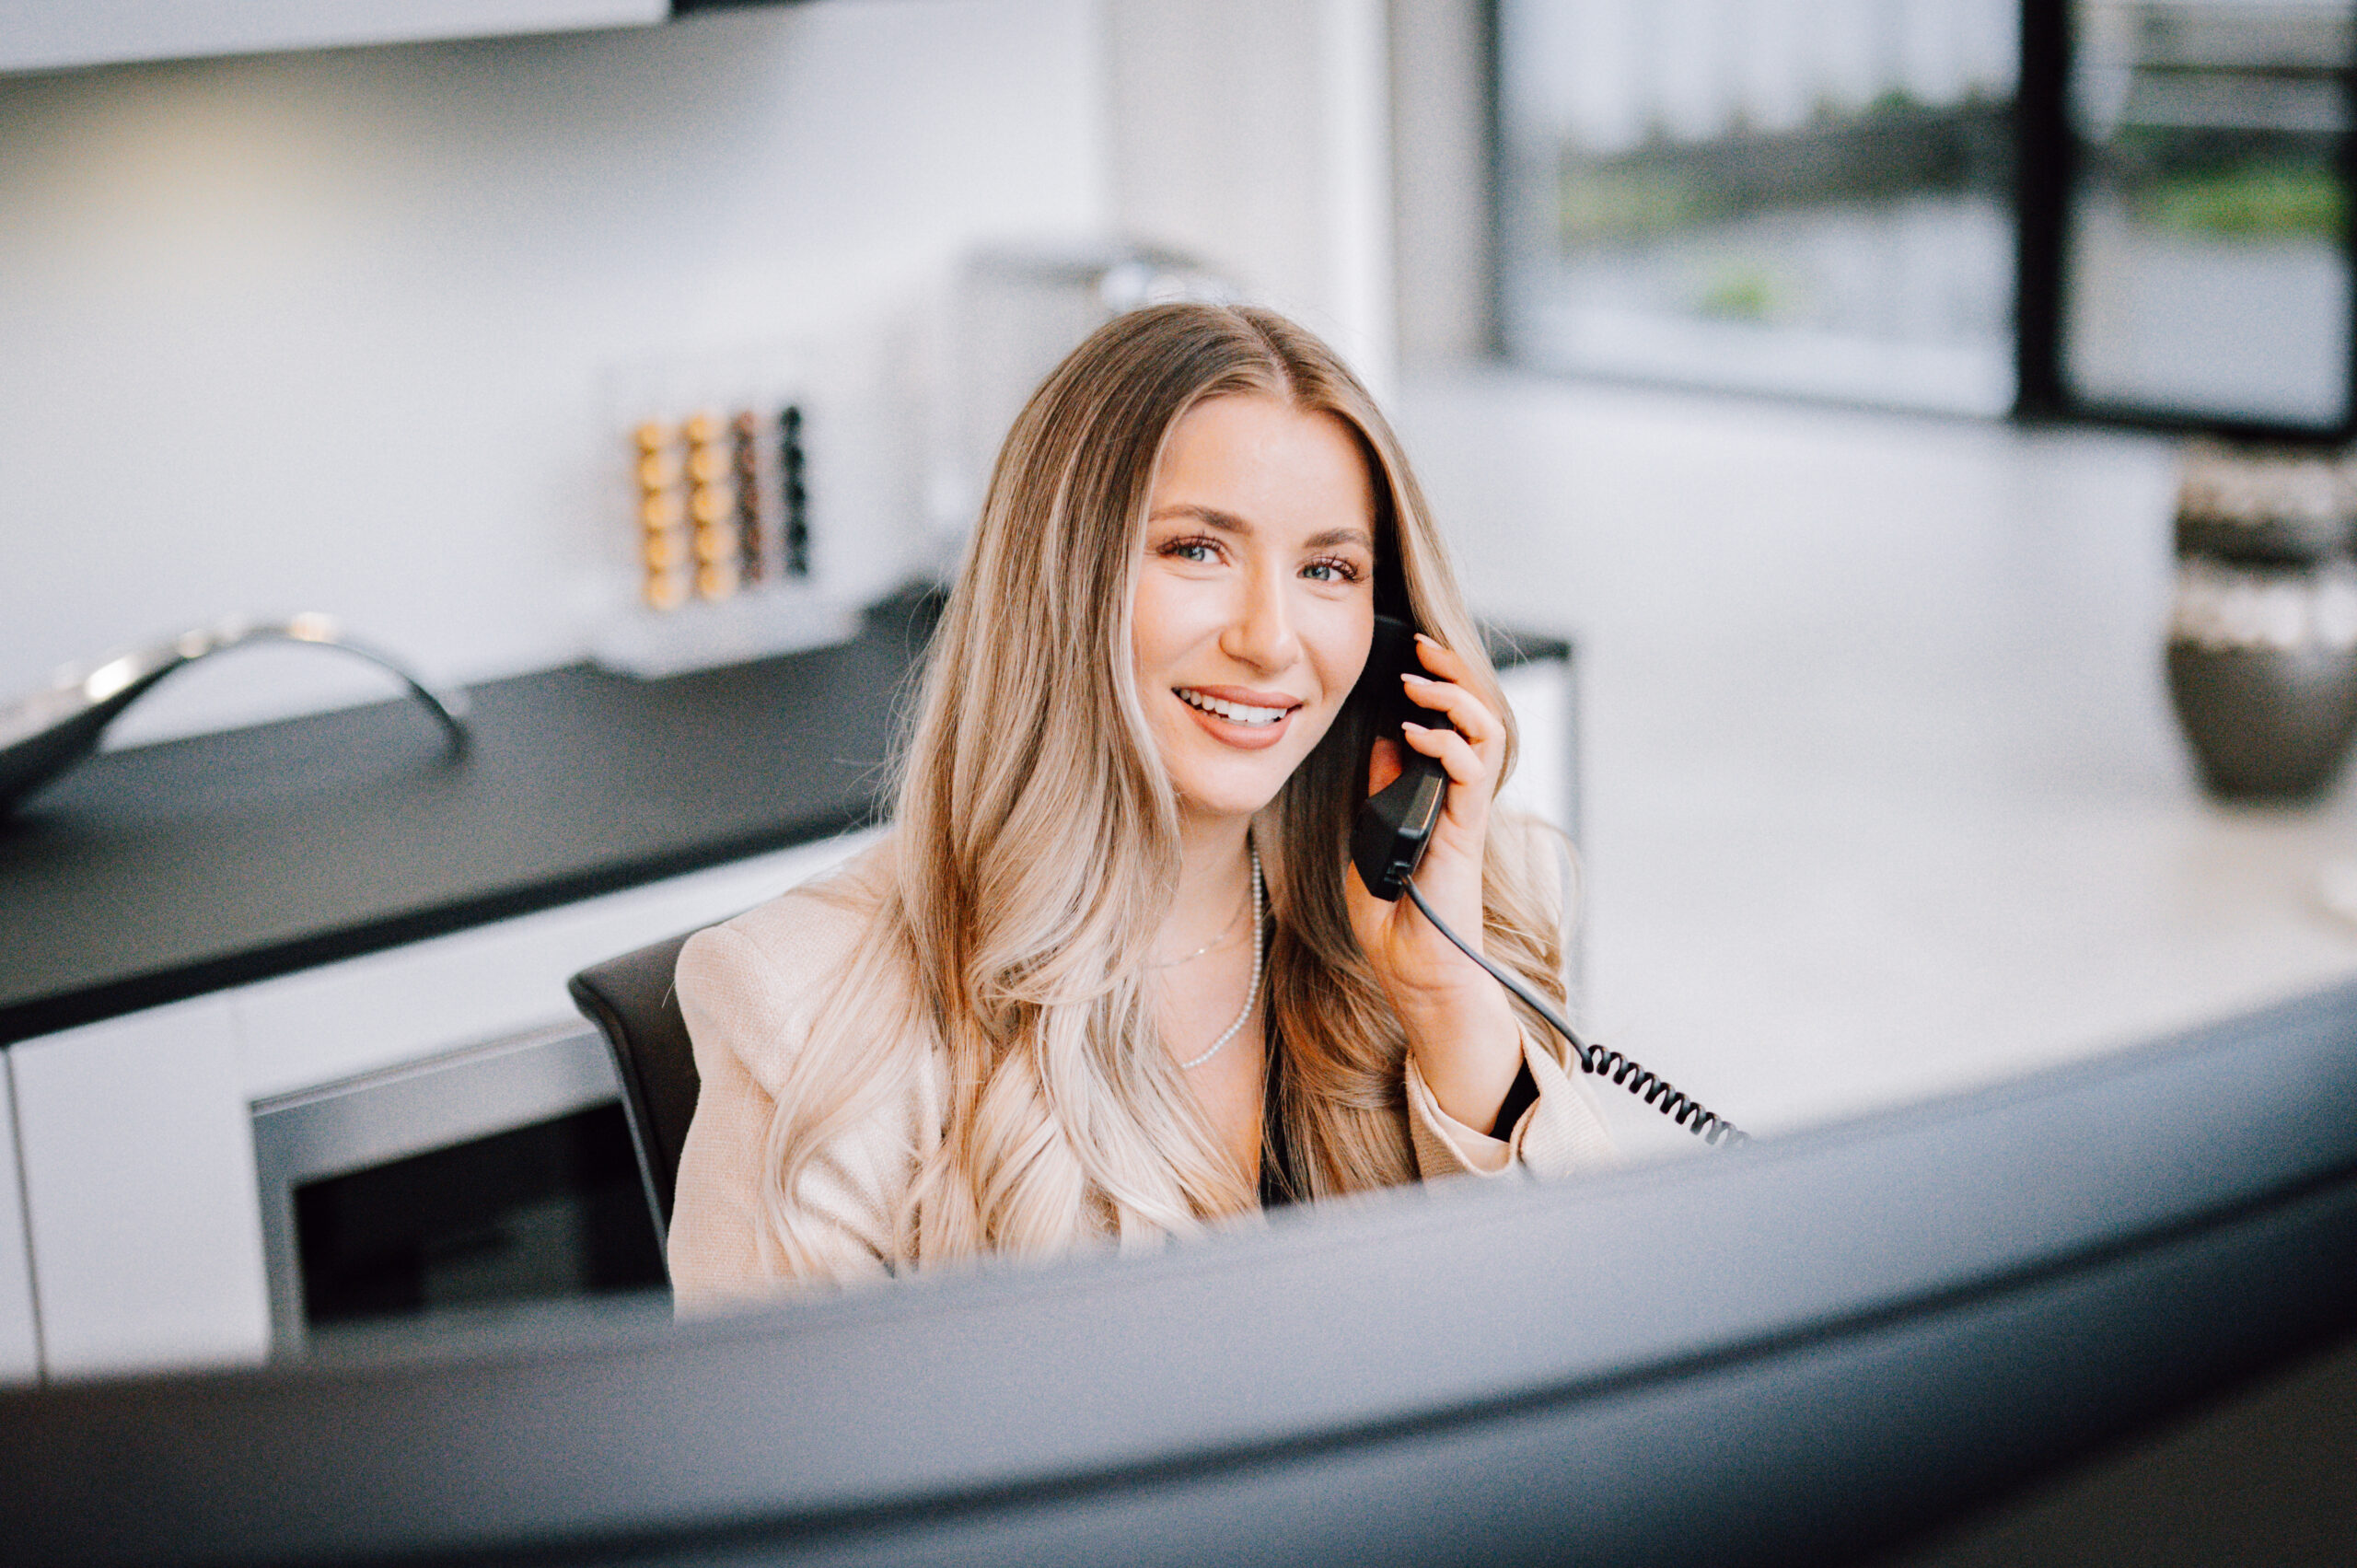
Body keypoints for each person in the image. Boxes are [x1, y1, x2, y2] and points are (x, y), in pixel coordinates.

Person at [668, 302, 1614, 1309]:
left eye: (1328, 568)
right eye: (1196, 550)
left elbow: (1591, 1344)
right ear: (1061, 582)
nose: (1270, 638)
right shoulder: (804, 1010)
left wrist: (1444, 1004)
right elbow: (799, 1459)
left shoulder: (1460, 912)